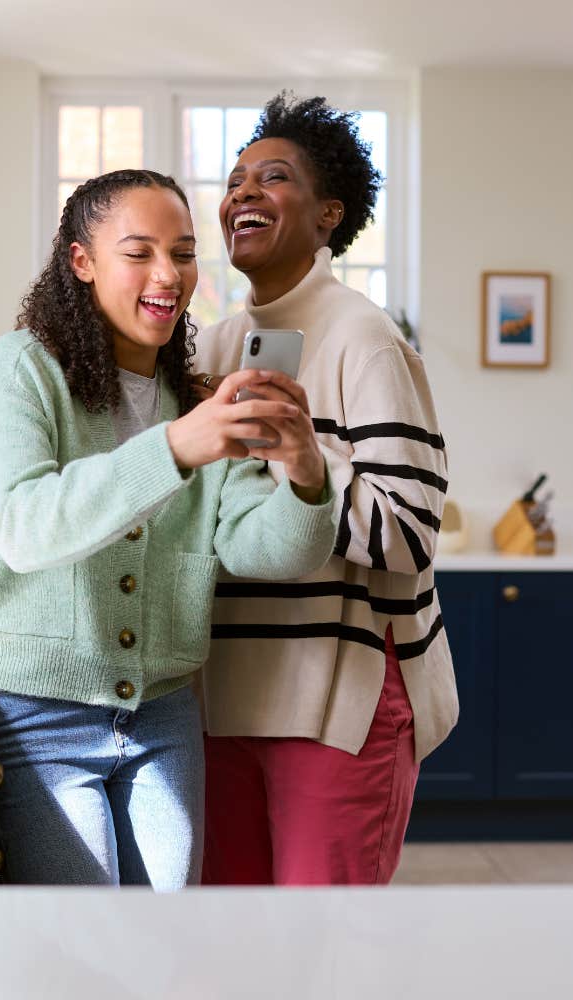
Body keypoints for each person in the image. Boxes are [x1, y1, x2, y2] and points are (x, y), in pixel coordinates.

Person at [0, 168, 338, 890]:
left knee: (165, 942)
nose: (169, 274)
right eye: (139, 252)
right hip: (39, 719)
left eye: (185, 252)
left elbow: (268, 550)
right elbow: (23, 526)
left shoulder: (192, 399)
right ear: (82, 261)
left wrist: (305, 470)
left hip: (162, 716)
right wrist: (174, 448)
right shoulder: (21, 369)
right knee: (87, 943)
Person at [193, 94, 458, 886]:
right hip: (221, 700)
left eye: (272, 178)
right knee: (237, 954)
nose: (242, 191)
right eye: (235, 179)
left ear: (327, 216)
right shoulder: (211, 346)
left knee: (322, 957)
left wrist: (306, 465)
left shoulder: (364, 338)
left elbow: (412, 535)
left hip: (335, 706)